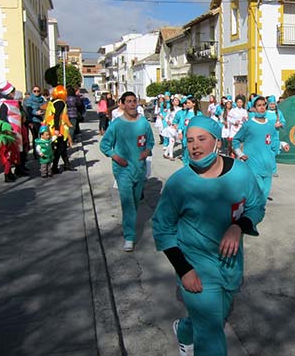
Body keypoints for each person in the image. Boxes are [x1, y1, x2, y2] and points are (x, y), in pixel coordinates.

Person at [152, 115, 266, 356]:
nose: (194, 146)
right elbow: (162, 228)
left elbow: (256, 206)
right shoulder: (179, 183)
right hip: (195, 264)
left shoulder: (241, 172)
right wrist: (184, 269)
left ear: (217, 142)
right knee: (211, 335)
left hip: (230, 263)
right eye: (190, 140)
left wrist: (238, 227)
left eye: (201, 139)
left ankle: (185, 330)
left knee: (214, 317)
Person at [100, 91, 154, 252]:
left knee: (135, 201)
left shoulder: (143, 122)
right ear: (122, 104)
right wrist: (116, 157)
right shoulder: (116, 124)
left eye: (134, 101)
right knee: (128, 203)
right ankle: (129, 237)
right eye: (128, 101)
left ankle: (128, 223)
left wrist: (147, 151)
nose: (132, 104)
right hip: (122, 169)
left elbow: (150, 141)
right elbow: (104, 145)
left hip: (139, 169)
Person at [233, 95, 278, 200]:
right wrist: (240, 154)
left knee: (265, 194)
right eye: (259, 105)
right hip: (253, 164)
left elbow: (274, 142)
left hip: (267, 165)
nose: (262, 107)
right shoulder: (248, 125)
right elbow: (236, 140)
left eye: (263, 105)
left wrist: (282, 145)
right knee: (258, 191)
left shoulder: (270, 125)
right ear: (253, 108)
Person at [0, 81, 27, 179]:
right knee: (8, 152)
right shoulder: (3, 104)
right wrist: (8, 130)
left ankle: (18, 169)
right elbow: (3, 118)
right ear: (9, 93)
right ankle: (8, 173)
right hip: (8, 133)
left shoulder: (11, 102)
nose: (14, 93)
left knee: (17, 151)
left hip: (16, 131)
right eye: (13, 91)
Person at [44, 85, 74, 174]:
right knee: (60, 147)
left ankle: (66, 165)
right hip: (58, 128)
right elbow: (57, 116)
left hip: (52, 127)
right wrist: (57, 129)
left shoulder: (52, 101)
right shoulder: (60, 102)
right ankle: (54, 167)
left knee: (62, 147)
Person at [266, 95, 286, 177]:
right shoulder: (265, 113)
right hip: (267, 136)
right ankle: (271, 170)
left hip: (275, 135)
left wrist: (280, 124)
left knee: (274, 152)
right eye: (271, 104)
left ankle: (272, 170)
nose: (272, 106)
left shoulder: (278, 113)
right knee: (268, 152)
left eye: (273, 104)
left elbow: (283, 122)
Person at [25, 85, 46, 159]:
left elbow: (45, 107)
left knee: (42, 136)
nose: (36, 92)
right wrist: (36, 113)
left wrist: (43, 111)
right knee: (35, 137)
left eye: (38, 91)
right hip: (33, 120)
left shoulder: (42, 99)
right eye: (35, 91)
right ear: (32, 91)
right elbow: (29, 110)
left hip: (41, 120)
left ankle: (42, 151)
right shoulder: (29, 100)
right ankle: (36, 153)